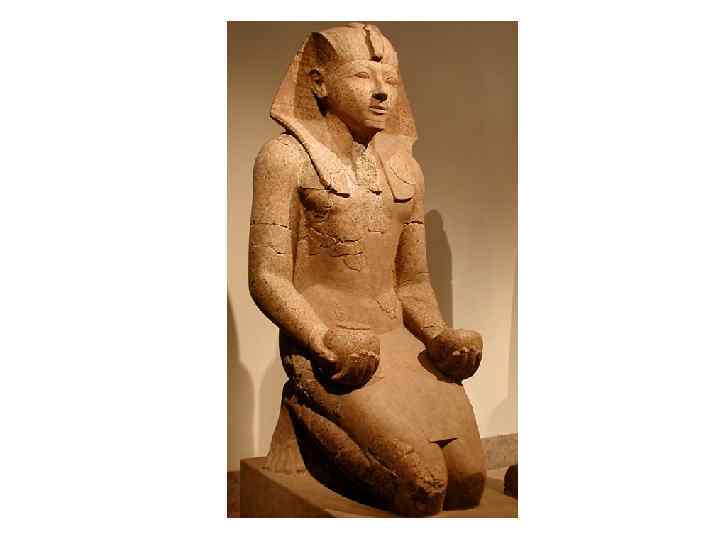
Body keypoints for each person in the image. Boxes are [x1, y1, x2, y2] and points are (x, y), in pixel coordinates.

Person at [248, 23, 486, 516]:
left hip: (395, 341)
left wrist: (440, 337)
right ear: (319, 83)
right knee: (423, 487)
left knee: (468, 482)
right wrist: (322, 339)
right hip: (328, 347)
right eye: (362, 76)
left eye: (391, 81)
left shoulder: (406, 170)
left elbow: (412, 283)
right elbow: (268, 277)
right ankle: (301, 404)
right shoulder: (285, 158)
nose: (382, 92)